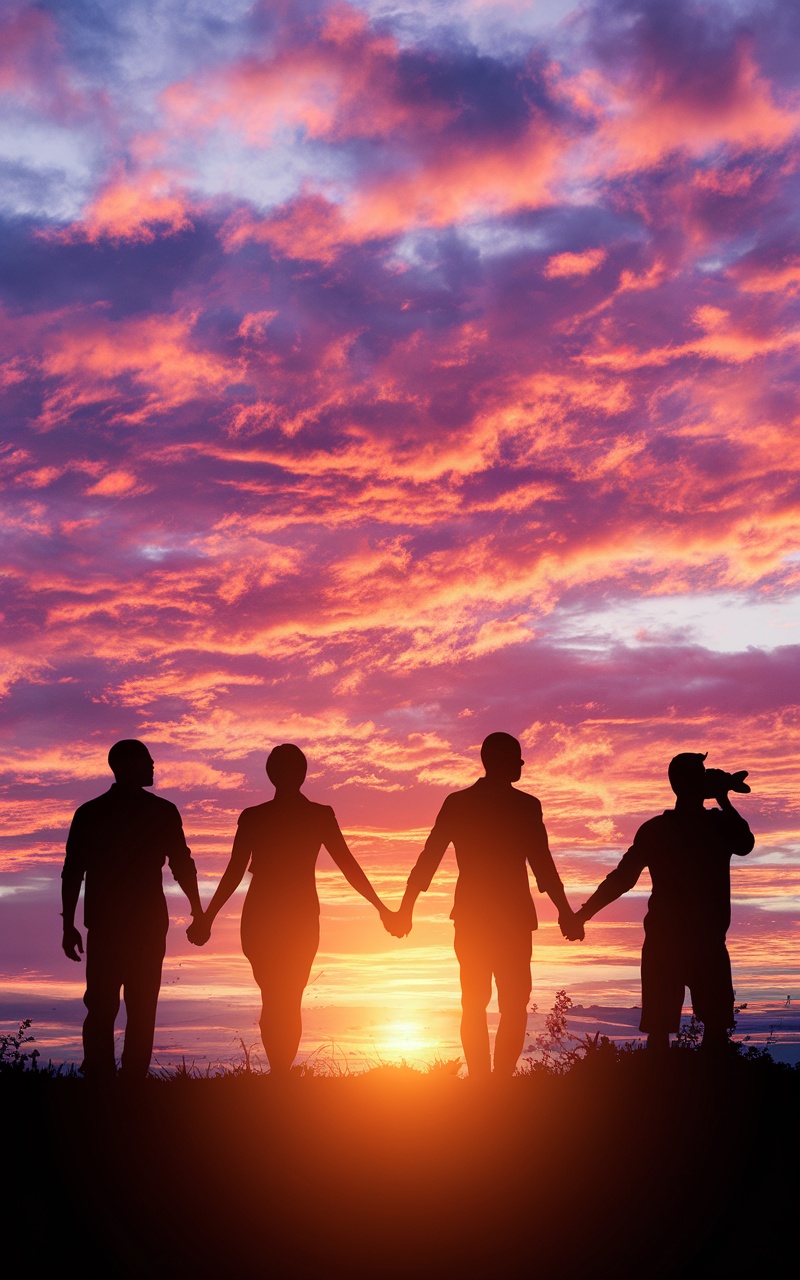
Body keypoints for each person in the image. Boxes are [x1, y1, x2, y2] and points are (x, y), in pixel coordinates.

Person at [188, 743, 392, 1075]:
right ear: (301, 774)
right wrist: (382, 908)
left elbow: (235, 872)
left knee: (276, 995)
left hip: (270, 911)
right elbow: (348, 866)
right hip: (291, 912)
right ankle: (281, 1074)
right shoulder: (313, 815)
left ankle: (280, 1073)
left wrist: (208, 917)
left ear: (272, 774)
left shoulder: (262, 816)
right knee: (286, 996)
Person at [387, 732, 581, 1079]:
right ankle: (495, 1079)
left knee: (481, 1002)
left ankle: (486, 1079)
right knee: (507, 1003)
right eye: (517, 759)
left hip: (478, 918)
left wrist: (406, 909)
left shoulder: (461, 803)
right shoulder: (523, 806)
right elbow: (544, 866)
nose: (522, 765)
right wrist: (564, 912)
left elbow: (428, 860)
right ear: (501, 761)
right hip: (508, 919)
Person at [568, 752, 754, 1054]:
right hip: (691, 941)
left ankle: (670, 1092)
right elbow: (622, 879)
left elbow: (621, 879)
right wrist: (723, 798)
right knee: (691, 1028)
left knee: (679, 1028)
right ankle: (691, 1093)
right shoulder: (704, 826)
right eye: (701, 773)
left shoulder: (663, 829)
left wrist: (582, 915)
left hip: (680, 941)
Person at [61, 739, 202, 1081]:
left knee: (108, 1004)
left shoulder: (92, 812)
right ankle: (118, 1074)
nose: (153, 766)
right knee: (126, 1005)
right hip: (132, 924)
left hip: (125, 924)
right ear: (125, 766)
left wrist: (69, 925)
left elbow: (72, 871)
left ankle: (108, 1074)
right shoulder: (155, 811)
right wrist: (198, 911)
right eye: (146, 761)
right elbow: (73, 870)